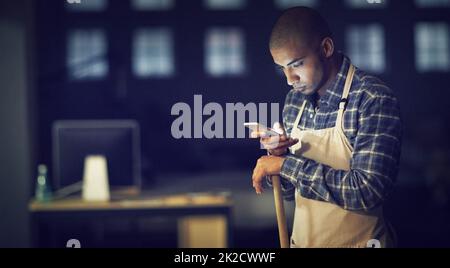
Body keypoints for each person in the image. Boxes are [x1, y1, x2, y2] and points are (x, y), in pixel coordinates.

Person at [250, 6, 402, 248]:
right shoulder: (294, 102)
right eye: (282, 68)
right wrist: (279, 158)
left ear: (326, 48)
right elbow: (291, 194)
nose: (290, 79)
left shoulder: (371, 98)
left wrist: (287, 165)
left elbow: (367, 191)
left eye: (297, 64)